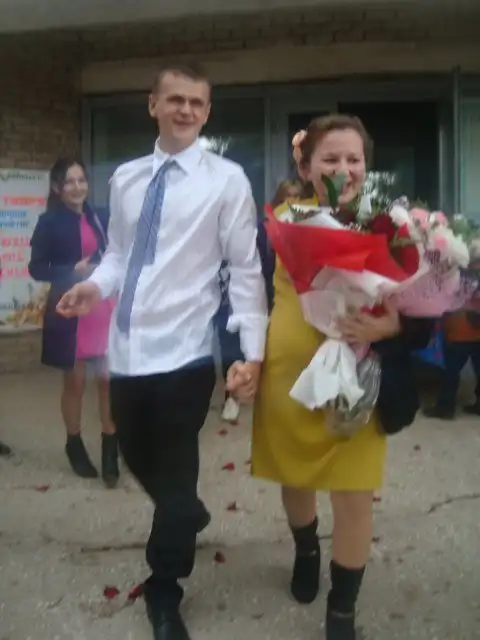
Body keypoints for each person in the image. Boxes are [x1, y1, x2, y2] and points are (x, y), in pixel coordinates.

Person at [56, 61, 268, 640]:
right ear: (153, 104)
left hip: (187, 350)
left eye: (197, 103)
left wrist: (251, 351)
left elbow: (245, 268)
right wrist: (94, 288)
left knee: (174, 469)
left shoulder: (226, 180)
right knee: (133, 453)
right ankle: (184, 511)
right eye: (175, 99)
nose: (186, 111)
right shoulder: (126, 178)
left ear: (207, 111)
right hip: (127, 348)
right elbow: (120, 256)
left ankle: (165, 588)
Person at [242, 115, 432, 640]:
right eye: (330, 159)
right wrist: (247, 359)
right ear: (305, 166)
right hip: (291, 377)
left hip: (361, 377)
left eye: (354, 159)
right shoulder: (279, 221)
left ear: (367, 166)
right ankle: (306, 550)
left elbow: (420, 304)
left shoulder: (392, 226)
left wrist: (396, 325)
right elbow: (250, 295)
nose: (343, 169)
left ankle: (342, 611)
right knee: (295, 478)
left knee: (354, 494)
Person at [29, 158, 118, 488]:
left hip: (104, 305)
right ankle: (74, 442)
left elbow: (117, 254)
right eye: (69, 181)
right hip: (71, 309)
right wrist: (71, 270)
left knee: (108, 380)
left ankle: (110, 446)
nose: (77, 187)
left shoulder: (101, 216)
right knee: (76, 383)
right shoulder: (49, 222)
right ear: (57, 187)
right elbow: (37, 268)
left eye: (81, 180)